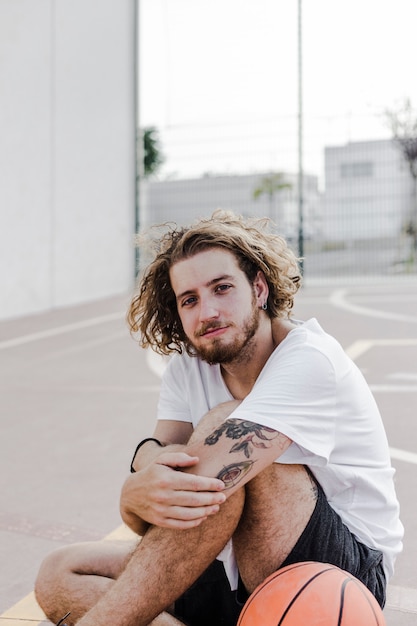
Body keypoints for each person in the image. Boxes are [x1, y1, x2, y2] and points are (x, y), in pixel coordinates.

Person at [35, 211, 403, 626]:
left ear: (259, 288)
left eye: (222, 288)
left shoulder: (309, 358)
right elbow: (161, 452)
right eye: (189, 299)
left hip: (337, 576)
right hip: (230, 563)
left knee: (226, 432)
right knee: (61, 572)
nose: (207, 311)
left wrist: (131, 500)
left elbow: (194, 484)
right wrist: (143, 469)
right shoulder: (186, 368)